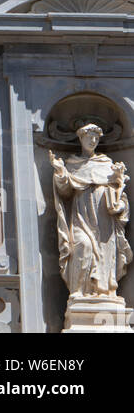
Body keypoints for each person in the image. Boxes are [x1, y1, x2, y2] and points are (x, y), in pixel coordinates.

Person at [50, 120, 132, 300]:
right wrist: (61, 173)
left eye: (96, 138)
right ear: (81, 139)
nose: (93, 141)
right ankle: (78, 291)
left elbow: (121, 195)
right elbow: (64, 192)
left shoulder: (107, 163)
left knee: (105, 253)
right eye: (89, 137)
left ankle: (105, 292)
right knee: (83, 246)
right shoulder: (73, 164)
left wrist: (119, 193)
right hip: (81, 218)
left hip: (105, 222)